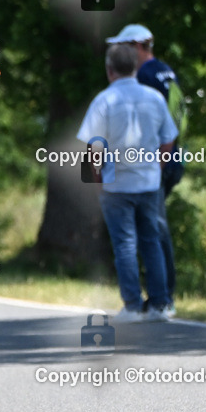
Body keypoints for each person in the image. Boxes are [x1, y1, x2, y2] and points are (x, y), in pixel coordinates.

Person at [77, 44, 178, 323]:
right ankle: (159, 305)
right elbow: (169, 137)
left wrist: (96, 182)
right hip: (149, 181)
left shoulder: (104, 100)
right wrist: (158, 166)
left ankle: (132, 306)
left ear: (109, 70)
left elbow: (92, 146)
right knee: (152, 243)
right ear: (135, 67)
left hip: (116, 185)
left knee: (124, 245)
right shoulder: (155, 97)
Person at [106, 24, 186, 316]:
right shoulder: (165, 71)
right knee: (155, 229)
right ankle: (162, 297)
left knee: (154, 230)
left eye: (123, 47)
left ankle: (162, 299)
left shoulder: (147, 77)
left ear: (139, 46)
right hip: (170, 158)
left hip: (156, 163)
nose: (117, 54)